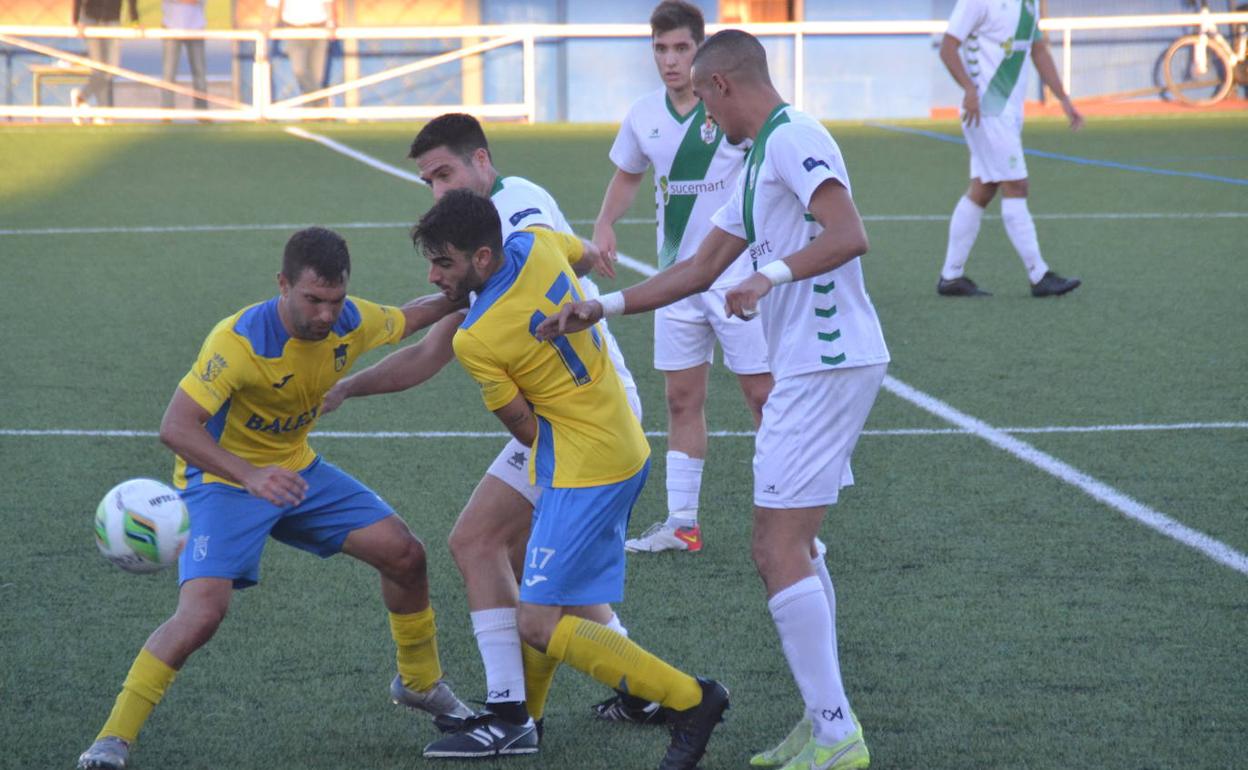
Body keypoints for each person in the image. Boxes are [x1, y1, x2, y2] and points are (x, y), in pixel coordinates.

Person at [538, 29, 888, 770]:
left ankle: (837, 735)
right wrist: (602, 306)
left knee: (775, 546)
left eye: (702, 97)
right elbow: (696, 268)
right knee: (796, 542)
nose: (702, 116)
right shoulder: (755, 160)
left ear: (723, 86)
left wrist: (772, 276)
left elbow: (850, 233)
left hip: (828, 360)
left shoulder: (795, 136)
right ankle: (825, 720)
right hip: (810, 365)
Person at [323, 113, 661, 755]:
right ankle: (636, 688)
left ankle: (510, 717)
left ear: (482, 160)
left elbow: (455, 336)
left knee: (478, 539)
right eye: (428, 181)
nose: (440, 191)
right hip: (572, 416)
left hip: (581, 416)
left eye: (446, 173)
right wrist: (345, 387)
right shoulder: (485, 224)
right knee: (525, 558)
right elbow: (432, 348)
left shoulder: (511, 213)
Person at [75, 227, 471, 770]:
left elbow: (413, 315)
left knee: (405, 554)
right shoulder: (237, 341)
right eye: (312, 299)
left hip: (296, 471)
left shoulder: (350, 321)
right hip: (221, 481)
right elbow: (176, 426)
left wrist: (473, 289)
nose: (326, 315)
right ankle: (112, 739)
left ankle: (420, 683)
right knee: (202, 615)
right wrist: (250, 474)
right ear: (283, 284)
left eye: (335, 300)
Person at [414, 188, 729, 770]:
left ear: (482, 258)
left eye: (444, 262)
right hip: (625, 445)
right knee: (553, 592)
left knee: (538, 621)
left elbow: (524, 428)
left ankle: (691, 699)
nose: (434, 275)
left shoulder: (474, 338)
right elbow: (584, 254)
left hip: (583, 469)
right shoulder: (533, 244)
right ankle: (523, 720)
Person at [594, 0, 771, 555]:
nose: (670, 61)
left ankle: (795, 522)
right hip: (676, 282)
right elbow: (627, 177)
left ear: (701, 49)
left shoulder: (730, 108)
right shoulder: (643, 114)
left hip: (737, 275)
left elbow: (771, 168)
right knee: (680, 399)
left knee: (763, 397)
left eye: (681, 49)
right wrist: (604, 224)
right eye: (661, 49)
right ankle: (682, 523)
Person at [936, 0, 1083, 298]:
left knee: (983, 188)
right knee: (1016, 184)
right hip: (987, 110)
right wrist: (968, 89)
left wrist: (1064, 99)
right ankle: (1039, 275)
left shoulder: (1027, 4)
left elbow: (1038, 51)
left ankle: (951, 276)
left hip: (1008, 112)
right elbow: (947, 48)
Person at [71, 0, 140, 116]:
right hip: (91, 19)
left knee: (112, 69)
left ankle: (82, 95)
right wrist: (76, 20)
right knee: (98, 70)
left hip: (112, 19)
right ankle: (103, 114)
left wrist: (135, 21)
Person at [263, 0, 335, 105]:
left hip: (319, 28)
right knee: (299, 70)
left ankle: (311, 115)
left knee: (317, 76)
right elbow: (271, 3)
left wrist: (331, 23)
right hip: (294, 29)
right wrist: (265, 23)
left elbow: (328, 2)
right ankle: (323, 102)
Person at [161, 0, 207, 111]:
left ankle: (202, 112)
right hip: (171, 27)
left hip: (196, 28)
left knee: (199, 73)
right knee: (169, 74)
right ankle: (167, 112)